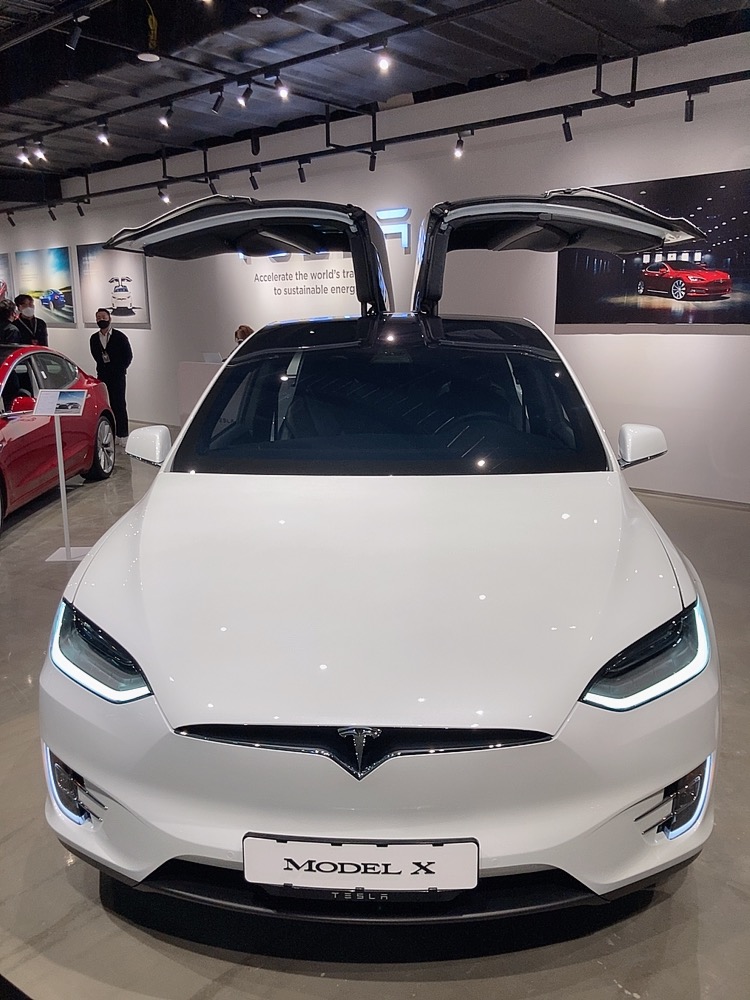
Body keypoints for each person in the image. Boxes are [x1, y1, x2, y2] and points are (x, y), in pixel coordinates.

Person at [89, 307, 132, 444]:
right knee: (106, 404)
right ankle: (111, 433)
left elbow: (128, 356)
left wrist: (120, 368)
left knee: (119, 404)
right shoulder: (94, 338)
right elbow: (96, 355)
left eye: (103, 317)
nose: (101, 320)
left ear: (109, 318)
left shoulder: (120, 337)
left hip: (118, 376)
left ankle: (123, 434)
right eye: (98, 318)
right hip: (103, 375)